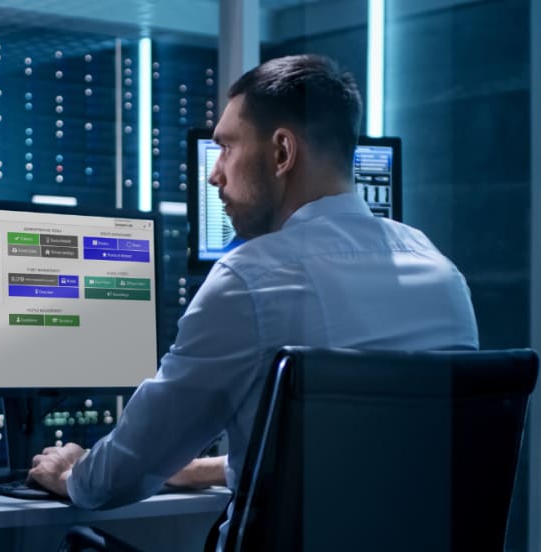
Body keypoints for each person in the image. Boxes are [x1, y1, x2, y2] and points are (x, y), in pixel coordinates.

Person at [28, 54, 479, 547]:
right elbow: (377, 455)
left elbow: (119, 475)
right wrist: (211, 470)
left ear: (282, 152)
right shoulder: (441, 273)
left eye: (225, 148)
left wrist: (71, 474)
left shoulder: (249, 280)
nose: (214, 174)